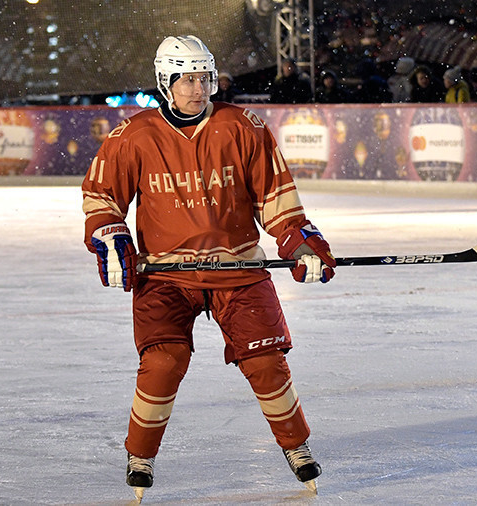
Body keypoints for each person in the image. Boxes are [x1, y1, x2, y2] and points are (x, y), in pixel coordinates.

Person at [81, 35, 336, 500]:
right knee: (162, 361)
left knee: (266, 362)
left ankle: (297, 447)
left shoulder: (244, 126)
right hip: (165, 275)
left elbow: (277, 200)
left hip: (237, 269)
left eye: (204, 78)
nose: (198, 89)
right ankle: (140, 455)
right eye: (186, 79)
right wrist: (110, 236)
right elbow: (101, 200)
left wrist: (299, 242)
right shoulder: (132, 136)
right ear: (165, 82)